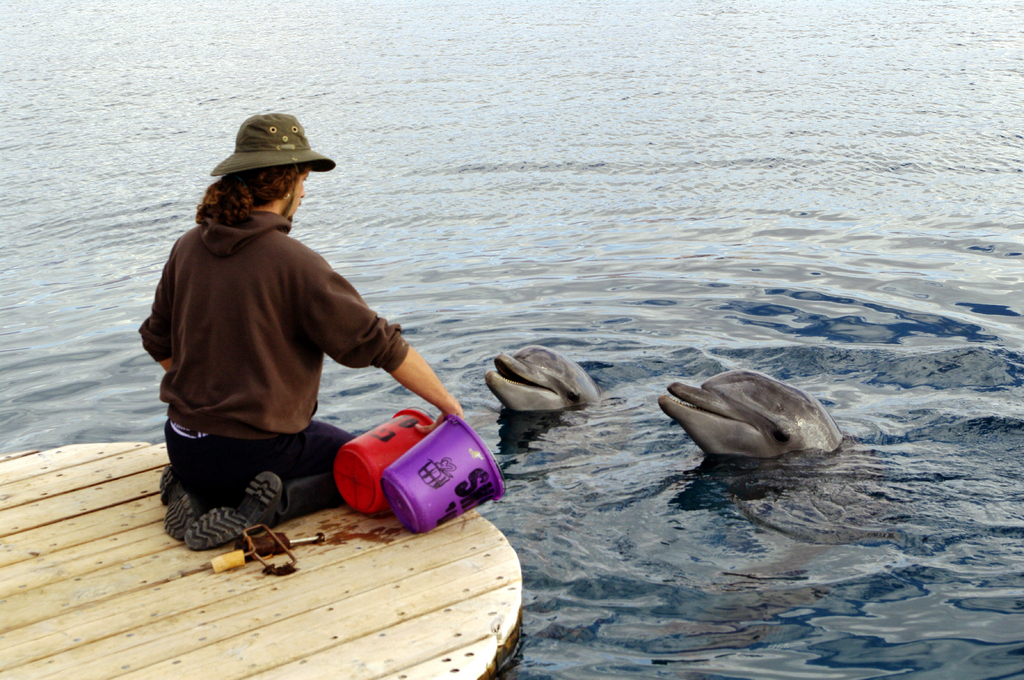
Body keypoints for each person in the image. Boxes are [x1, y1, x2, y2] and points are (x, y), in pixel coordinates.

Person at [139, 113, 463, 550]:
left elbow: (157, 338)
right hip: (249, 455)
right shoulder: (295, 263)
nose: (306, 192)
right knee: (363, 467)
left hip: (182, 444)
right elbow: (382, 346)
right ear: (286, 184)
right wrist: (450, 407)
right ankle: (264, 508)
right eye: (303, 180)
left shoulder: (187, 245)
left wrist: (202, 394)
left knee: (271, 448)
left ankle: (194, 490)